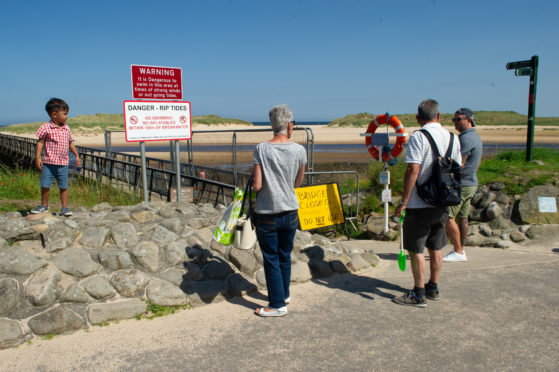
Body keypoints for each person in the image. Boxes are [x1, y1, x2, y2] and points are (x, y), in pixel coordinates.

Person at [393, 99, 461, 307]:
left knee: (416, 250)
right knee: (436, 248)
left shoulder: (418, 137)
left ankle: (418, 293)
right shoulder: (453, 138)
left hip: (418, 203)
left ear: (418, 118)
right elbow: (457, 169)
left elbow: (413, 170)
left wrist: (404, 201)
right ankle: (433, 287)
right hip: (442, 202)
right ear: (439, 116)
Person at [252, 104, 307, 317]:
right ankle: (284, 294)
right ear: (290, 126)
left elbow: (257, 185)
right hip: (291, 210)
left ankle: (276, 305)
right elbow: (298, 182)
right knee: (284, 255)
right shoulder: (299, 150)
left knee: (271, 258)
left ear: (272, 126)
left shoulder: (262, 149)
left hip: (267, 211)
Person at [444, 108, 483, 262]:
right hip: (471, 182)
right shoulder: (475, 137)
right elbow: (477, 163)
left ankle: (458, 251)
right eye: (454, 119)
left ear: (468, 120)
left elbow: (460, 164)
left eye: (458, 119)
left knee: (447, 216)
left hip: (463, 184)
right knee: (463, 216)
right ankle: (461, 249)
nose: (455, 123)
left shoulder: (465, 139)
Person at [31, 98, 81, 216]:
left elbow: (70, 142)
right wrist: (37, 157)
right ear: (54, 114)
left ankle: (64, 207)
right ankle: (44, 205)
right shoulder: (46, 127)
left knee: (64, 186)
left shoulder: (66, 128)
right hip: (49, 163)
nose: (67, 116)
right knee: (45, 184)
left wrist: (76, 155)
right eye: (64, 113)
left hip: (63, 163)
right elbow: (40, 142)